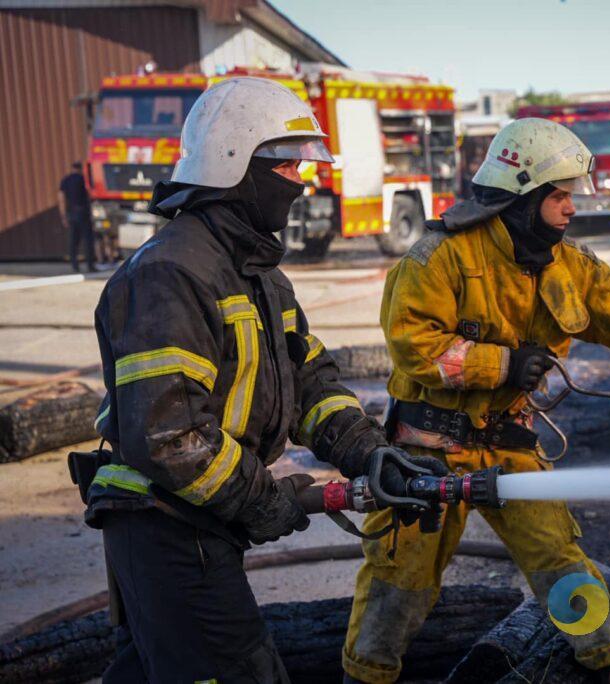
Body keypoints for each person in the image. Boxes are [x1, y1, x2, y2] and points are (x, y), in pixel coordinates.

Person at [343, 118, 610, 684]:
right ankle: (365, 679)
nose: (571, 208)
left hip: (511, 446)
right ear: (523, 198)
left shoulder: (568, 265)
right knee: (397, 584)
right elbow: (412, 347)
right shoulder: (436, 259)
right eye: (559, 195)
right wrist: (501, 363)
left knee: (564, 565)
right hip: (427, 454)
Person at [86, 77, 444, 684]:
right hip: (162, 526)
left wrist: (369, 453)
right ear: (235, 163)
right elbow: (171, 438)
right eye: (286, 168)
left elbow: (309, 381)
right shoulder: (171, 274)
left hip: (197, 520)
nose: (300, 184)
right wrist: (264, 499)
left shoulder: (258, 274)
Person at [59, 161, 96, 272]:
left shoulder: (65, 180)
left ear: (72, 168)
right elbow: (91, 195)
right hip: (84, 213)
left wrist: (63, 216)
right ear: (80, 169)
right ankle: (90, 266)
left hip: (72, 214)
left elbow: (61, 199)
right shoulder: (84, 179)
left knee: (73, 241)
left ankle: (75, 266)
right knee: (88, 240)